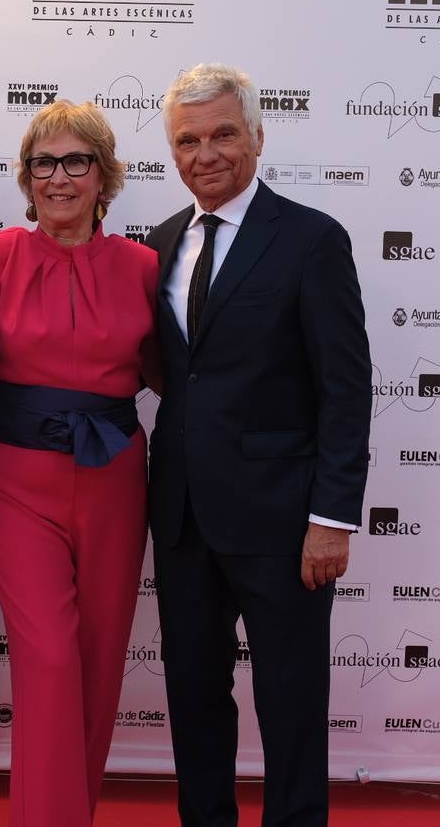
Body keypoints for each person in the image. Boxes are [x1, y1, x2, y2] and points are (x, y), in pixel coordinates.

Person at [145, 63, 371, 826]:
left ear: (257, 137)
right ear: (172, 151)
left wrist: (332, 518)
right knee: (194, 697)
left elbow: (345, 388)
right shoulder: (162, 242)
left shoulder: (311, 240)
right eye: (188, 140)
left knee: (291, 700)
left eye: (222, 135)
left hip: (283, 523)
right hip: (180, 521)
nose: (205, 154)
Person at [0, 101, 156, 826]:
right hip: (16, 481)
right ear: (26, 177)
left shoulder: (144, 266)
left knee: (100, 660)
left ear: (104, 176)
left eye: (76, 161)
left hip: (115, 481)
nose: (58, 178)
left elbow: (181, 370)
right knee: (48, 658)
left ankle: (70, 812)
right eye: (43, 163)